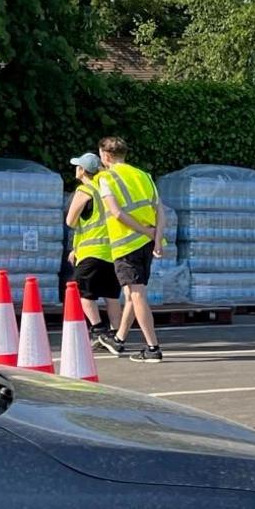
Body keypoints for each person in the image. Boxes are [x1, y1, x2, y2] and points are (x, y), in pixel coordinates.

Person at [92, 136, 165, 362]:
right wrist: (157, 237)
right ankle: (120, 339)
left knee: (137, 294)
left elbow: (117, 213)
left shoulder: (105, 177)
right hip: (147, 243)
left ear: (105, 156)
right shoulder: (143, 176)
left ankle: (153, 349)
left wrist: (146, 233)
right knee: (133, 294)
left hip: (127, 243)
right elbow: (160, 210)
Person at [63, 151, 123, 354]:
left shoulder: (85, 190)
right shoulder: (108, 188)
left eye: (77, 166)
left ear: (82, 170)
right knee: (111, 296)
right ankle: (116, 336)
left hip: (92, 251)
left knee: (84, 293)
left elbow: (71, 221)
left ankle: (99, 331)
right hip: (112, 251)